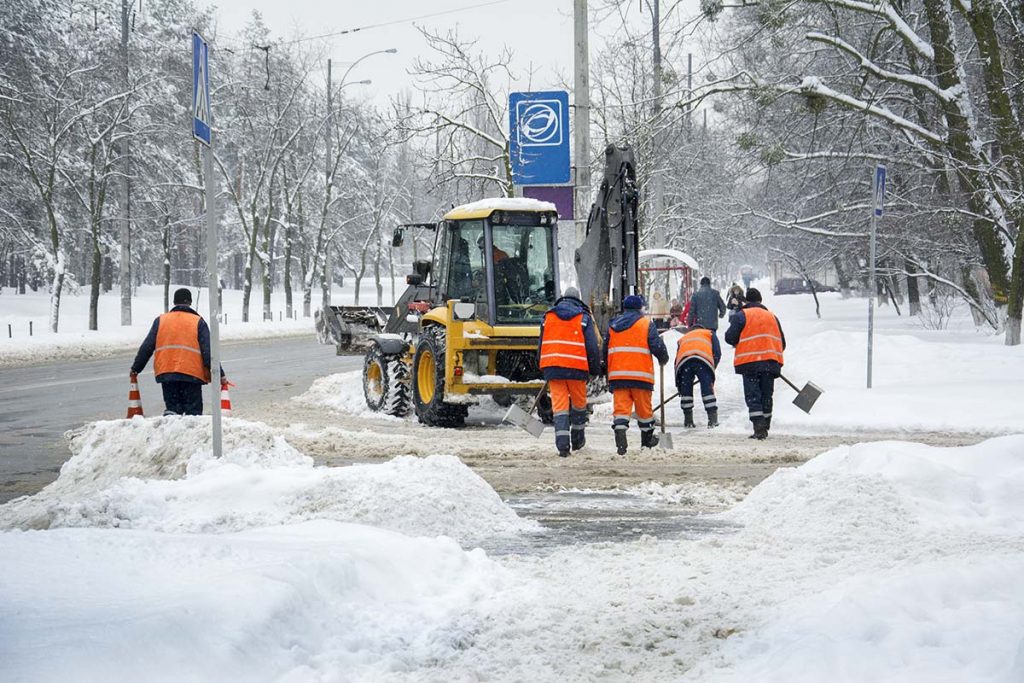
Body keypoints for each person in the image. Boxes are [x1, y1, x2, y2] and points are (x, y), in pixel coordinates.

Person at [131, 288, 225, 416]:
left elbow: (147, 347)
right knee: (193, 415)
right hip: (191, 375)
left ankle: (173, 428)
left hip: (167, 373)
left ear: (174, 302)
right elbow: (209, 353)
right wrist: (220, 375)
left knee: (173, 411)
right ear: (190, 302)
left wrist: (136, 368)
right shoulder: (198, 322)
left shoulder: (161, 321)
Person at [537, 286, 601, 457]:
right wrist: (595, 369)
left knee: (560, 408)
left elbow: (541, 344)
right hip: (577, 369)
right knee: (579, 406)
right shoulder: (583, 318)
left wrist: (543, 365)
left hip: (554, 369)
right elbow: (592, 347)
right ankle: (578, 441)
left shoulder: (548, 317)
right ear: (578, 299)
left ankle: (563, 446)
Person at [604, 295, 670, 455]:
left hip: (618, 376)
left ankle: (621, 443)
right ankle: (646, 443)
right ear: (640, 308)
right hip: (641, 376)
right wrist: (663, 357)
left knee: (621, 410)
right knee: (644, 411)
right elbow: (656, 345)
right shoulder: (646, 324)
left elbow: (605, 350)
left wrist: (605, 369)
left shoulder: (612, 325)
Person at [724, 288, 785, 440]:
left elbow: (729, 337)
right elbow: (782, 342)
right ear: (760, 300)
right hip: (770, 362)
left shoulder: (741, 315)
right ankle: (765, 425)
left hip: (750, 362)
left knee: (753, 395)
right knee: (766, 394)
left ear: (746, 301)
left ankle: (759, 426)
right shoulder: (772, 317)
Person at [675, 324, 722, 428]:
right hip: (703, 361)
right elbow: (717, 353)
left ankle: (688, 420)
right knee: (707, 390)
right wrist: (712, 368)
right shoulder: (709, 333)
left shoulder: (683, 338)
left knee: (686, 391)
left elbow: (676, 361)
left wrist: (679, 386)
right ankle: (712, 419)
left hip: (684, 363)